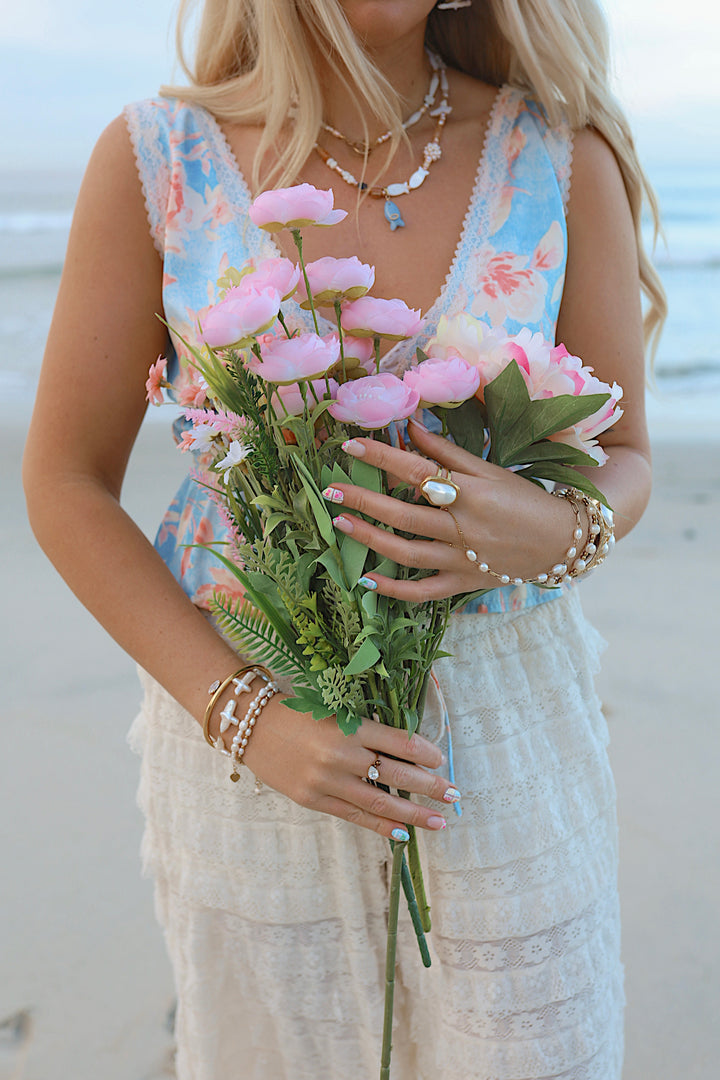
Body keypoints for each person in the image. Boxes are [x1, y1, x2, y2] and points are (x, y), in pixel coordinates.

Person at [23, 1, 666, 1077]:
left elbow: (628, 454)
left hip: (506, 745)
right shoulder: (159, 159)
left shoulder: (557, 154)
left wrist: (559, 528)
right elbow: (64, 482)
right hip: (249, 742)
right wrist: (246, 712)